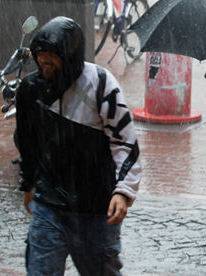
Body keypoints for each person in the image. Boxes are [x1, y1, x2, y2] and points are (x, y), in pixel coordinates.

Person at [16, 16, 142, 275]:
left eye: (53, 56)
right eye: (40, 54)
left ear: (70, 57)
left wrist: (123, 192)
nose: (44, 61)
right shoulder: (30, 89)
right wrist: (28, 184)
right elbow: (27, 142)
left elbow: (125, 141)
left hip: (96, 209)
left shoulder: (100, 83)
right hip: (48, 203)